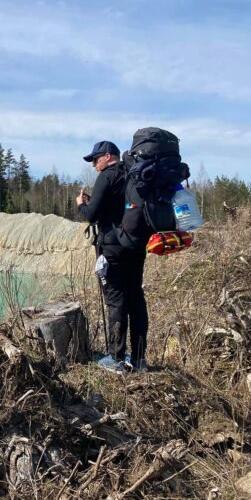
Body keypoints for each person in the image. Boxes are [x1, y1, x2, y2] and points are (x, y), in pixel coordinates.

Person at [76, 141, 149, 373]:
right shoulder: (134, 173)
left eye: (96, 160)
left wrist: (81, 205)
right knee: (136, 298)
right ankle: (138, 359)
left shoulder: (107, 176)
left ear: (108, 156)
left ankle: (116, 359)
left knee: (116, 301)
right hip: (136, 247)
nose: (95, 165)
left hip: (112, 249)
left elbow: (91, 214)